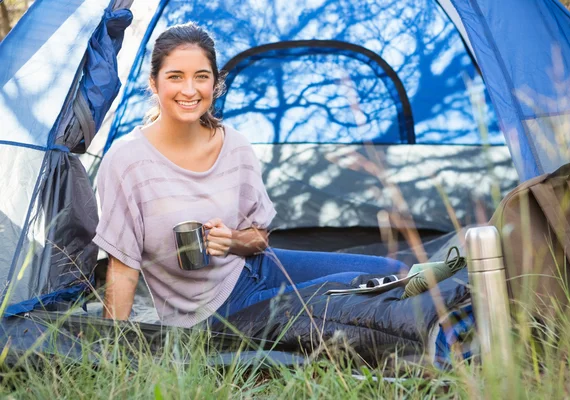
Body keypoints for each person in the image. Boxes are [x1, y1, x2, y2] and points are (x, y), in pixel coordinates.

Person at [94, 22, 405, 328]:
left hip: (256, 267)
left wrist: (230, 240)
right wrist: (107, 353)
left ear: (214, 83)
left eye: (201, 77)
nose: (189, 90)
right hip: (215, 311)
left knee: (396, 271)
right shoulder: (127, 160)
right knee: (356, 289)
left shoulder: (235, 146)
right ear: (154, 83)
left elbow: (259, 239)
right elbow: (122, 268)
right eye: (176, 77)